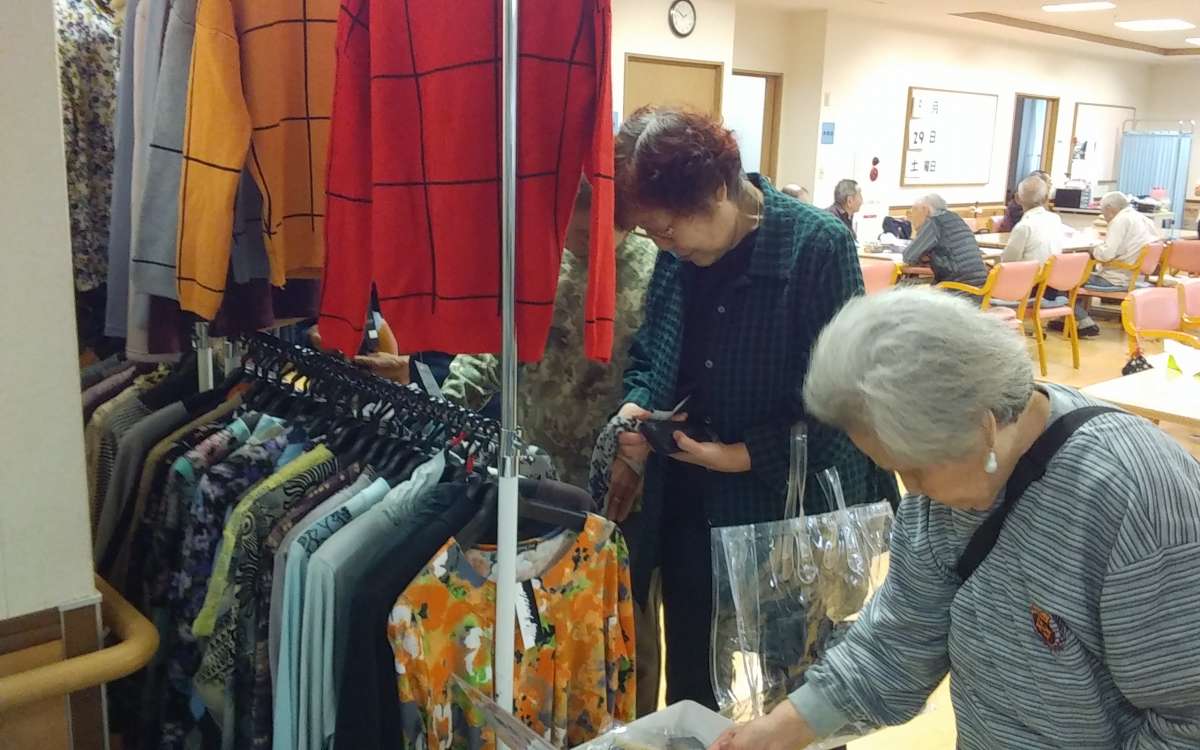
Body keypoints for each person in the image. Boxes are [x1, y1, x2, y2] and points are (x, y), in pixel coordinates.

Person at [715, 288, 1200, 750]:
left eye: (914, 470)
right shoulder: (944, 491)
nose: (912, 491)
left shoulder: (1135, 498)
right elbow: (899, 640)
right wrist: (779, 730)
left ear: (983, 427)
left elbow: (1188, 720)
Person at [606, 106, 899, 710]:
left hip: (787, 512)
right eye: (652, 234)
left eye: (668, 230)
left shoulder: (816, 247)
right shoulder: (676, 255)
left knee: (801, 686)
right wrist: (638, 407)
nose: (663, 245)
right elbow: (652, 349)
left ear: (719, 190)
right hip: (688, 502)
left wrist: (741, 455)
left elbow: (849, 399)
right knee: (693, 684)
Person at [438, 180, 659, 488]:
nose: (571, 241)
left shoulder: (656, 271)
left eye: (586, 233)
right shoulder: (538, 258)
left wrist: (636, 459)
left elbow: (659, 375)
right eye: (565, 226)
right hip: (532, 459)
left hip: (612, 467)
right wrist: (445, 409)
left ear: (624, 220)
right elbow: (492, 347)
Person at [1062, 191, 1160, 336]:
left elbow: (1106, 255)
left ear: (1109, 208)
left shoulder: (1120, 220)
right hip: (1136, 277)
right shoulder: (1144, 220)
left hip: (1115, 278)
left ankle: (1083, 321)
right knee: (1077, 275)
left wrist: (1093, 249)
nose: (1104, 216)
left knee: (1064, 279)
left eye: (1103, 212)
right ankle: (1068, 319)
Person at [902, 193, 989, 288]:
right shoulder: (955, 217)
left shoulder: (934, 223)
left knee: (905, 288)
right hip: (980, 283)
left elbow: (908, 257)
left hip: (957, 285)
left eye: (914, 211)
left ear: (925, 210)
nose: (912, 217)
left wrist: (923, 256)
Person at [1001, 175, 1063, 264]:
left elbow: (1007, 261)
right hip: (1051, 272)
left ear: (1017, 198)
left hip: (1027, 273)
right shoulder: (1055, 219)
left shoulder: (1024, 226)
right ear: (1046, 198)